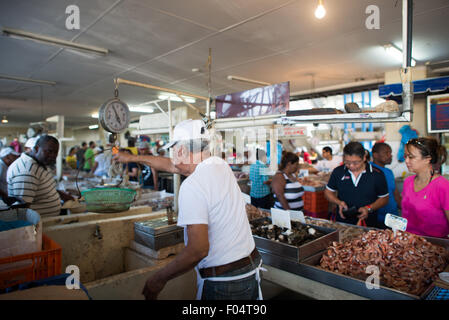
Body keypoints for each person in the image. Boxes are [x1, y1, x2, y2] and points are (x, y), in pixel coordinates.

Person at [113, 119, 262, 300]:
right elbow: (171, 164)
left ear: (182, 150)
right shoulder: (219, 164)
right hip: (249, 269)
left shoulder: (192, 185)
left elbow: (198, 250)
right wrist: (132, 158)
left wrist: (158, 279)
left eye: (173, 149)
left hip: (226, 284)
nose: (172, 155)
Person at [324, 141, 389, 227]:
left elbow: (384, 198)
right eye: (347, 162)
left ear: (364, 158)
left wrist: (369, 208)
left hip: (368, 224)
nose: (351, 166)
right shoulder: (338, 172)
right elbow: (328, 192)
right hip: (343, 223)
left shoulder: (377, 174)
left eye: (355, 162)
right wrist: (339, 202)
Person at [7, 135, 74, 217]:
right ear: (37, 149)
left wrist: (61, 194)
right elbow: (22, 209)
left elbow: (40, 187)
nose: (53, 156)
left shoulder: (40, 163)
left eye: (55, 152)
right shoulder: (27, 171)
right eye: (49, 151)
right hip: (38, 226)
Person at [402, 137, 449, 238]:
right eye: (405, 156)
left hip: (435, 247)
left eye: (411, 157)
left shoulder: (442, 186)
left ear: (427, 159)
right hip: (409, 243)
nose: (406, 161)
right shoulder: (408, 182)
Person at [371, 142, 401, 228]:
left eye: (390, 153)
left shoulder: (389, 172)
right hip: (378, 219)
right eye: (386, 153)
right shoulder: (370, 171)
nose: (390, 155)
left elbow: (396, 194)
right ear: (375, 155)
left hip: (394, 218)